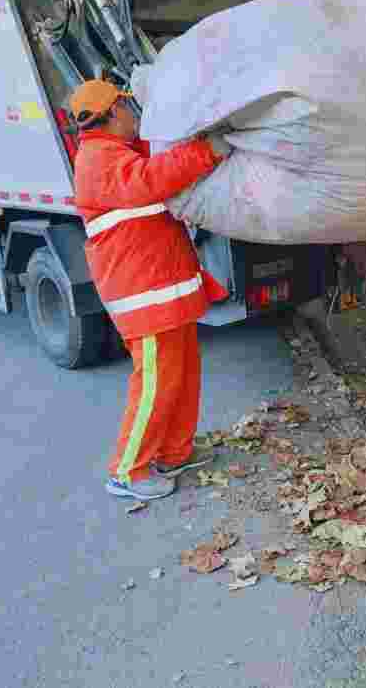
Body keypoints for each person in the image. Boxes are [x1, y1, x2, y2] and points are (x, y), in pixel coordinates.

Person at [70, 79, 227, 501]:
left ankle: (174, 452)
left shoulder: (115, 152)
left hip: (162, 289)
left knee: (181, 375)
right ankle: (128, 471)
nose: (134, 113)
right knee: (155, 384)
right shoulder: (98, 159)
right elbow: (150, 180)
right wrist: (206, 151)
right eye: (127, 106)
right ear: (112, 112)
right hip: (146, 295)